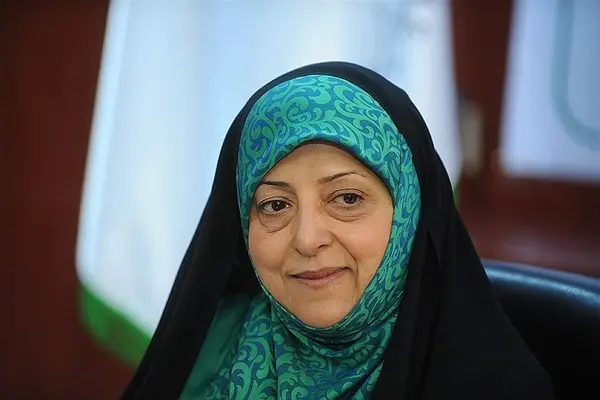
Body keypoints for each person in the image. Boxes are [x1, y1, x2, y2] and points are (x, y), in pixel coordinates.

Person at [122, 62, 554, 399]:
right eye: (275, 205)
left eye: (347, 199)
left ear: (409, 211)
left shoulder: (498, 389)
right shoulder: (204, 354)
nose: (308, 240)